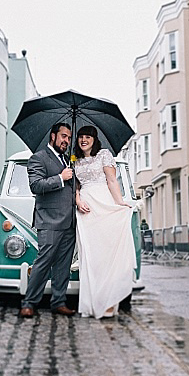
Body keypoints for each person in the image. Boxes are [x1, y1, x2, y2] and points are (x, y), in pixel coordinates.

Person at [72, 125, 135, 319]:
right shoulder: (74, 159)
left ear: (94, 139)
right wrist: (78, 200)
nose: (84, 140)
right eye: (81, 137)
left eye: (88, 137)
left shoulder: (104, 155)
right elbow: (74, 185)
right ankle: (91, 303)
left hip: (103, 203)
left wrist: (119, 203)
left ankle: (108, 301)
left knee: (105, 253)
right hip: (85, 209)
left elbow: (112, 181)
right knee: (90, 256)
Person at [19, 122, 77, 318]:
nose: (66, 141)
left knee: (63, 265)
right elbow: (36, 185)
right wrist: (61, 178)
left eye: (69, 138)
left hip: (70, 222)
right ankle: (29, 303)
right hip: (49, 221)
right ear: (53, 136)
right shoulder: (38, 158)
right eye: (63, 136)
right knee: (43, 263)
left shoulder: (69, 160)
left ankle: (58, 302)